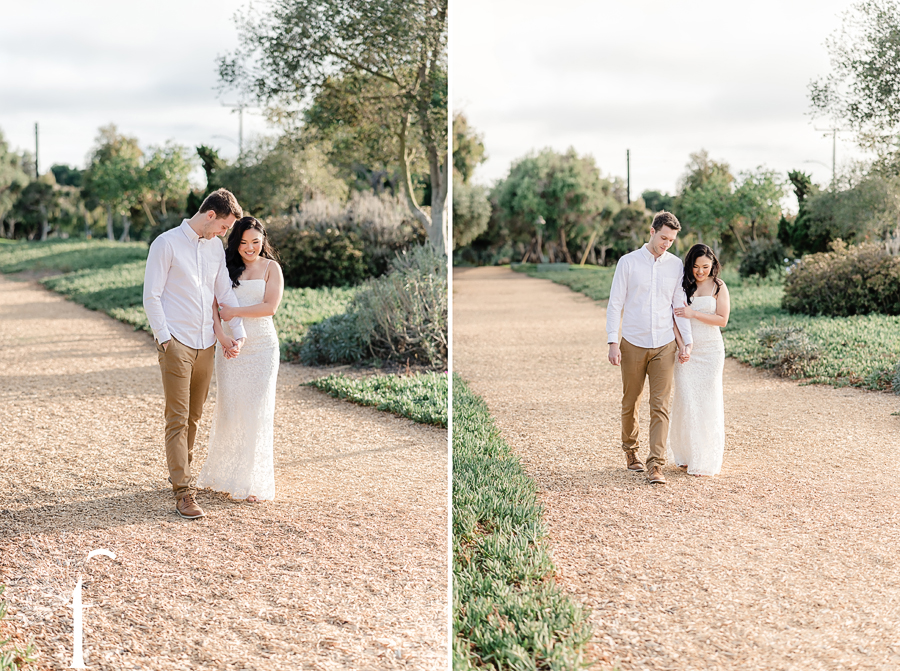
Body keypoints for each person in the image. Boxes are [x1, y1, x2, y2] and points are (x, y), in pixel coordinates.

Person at [142, 188, 246, 519]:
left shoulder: (214, 247)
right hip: (177, 343)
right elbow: (151, 295)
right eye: (224, 226)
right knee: (177, 417)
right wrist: (165, 339)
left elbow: (223, 291)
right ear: (211, 215)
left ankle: (179, 472)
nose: (224, 234)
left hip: (207, 344)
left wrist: (238, 332)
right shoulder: (166, 244)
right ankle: (184, 492)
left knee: (194, 417)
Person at [197, 216, 284, 503]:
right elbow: (213, 305)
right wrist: (222, 335)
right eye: (244, 242)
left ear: (263, 241)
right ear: (236, 242)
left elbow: (270, 307)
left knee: (257, 411)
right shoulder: (225, 266)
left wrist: (235, 312)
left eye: (255, 242)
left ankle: (253, 481)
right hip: (230, 346)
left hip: (262, 348)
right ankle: (225, 476)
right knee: (230, 410)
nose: (250, 248)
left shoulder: (271, 268)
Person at [606, 211, 693, 485]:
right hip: (632, 342)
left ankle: (656, 464)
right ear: (652, 231)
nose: (667, 243)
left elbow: (679, 305)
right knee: (631, 401)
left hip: (664, 345)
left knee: (660, 405)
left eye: (671, 240)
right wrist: (612, 341)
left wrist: (686, 342)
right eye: (663, 237)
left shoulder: (675, 265)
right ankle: (630, 451)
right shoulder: (628, 262)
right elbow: (615, 303)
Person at [668, 244, 730, 476]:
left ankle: (704, 459)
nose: (700, 271)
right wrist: (682, 346)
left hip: (711, 351)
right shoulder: (683, 285)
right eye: (696, 266)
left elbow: (722, 319)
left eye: (705, 266)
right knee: (686, 400)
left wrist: (693, 313)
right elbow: (673, 319)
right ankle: (686, 454)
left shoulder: (719, 286)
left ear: (713, 265)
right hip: (686, 351)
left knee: (707, 401)